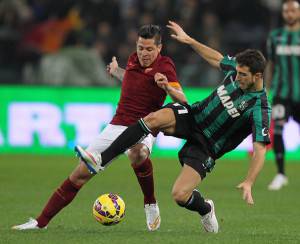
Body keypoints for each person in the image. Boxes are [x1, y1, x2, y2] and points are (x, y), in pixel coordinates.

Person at [75, 21, 271, 233]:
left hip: (208, 145)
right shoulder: (238, 68)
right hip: (195, 116)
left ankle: (206, 209)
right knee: (152, 119)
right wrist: (190, 40)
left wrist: (249, 181)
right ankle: (100, 160)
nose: (237, 77)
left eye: (242, 75)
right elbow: (216, 58)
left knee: (180, 195)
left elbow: (260, 149)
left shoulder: (259, 107)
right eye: (237, 72)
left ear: (258, 77)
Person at [12, 24, 187, 231]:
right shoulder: (132, 59)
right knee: (79, 175)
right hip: (116, 125)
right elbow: (133, 80)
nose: (144, 53)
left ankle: (150, 202)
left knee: (137, 153)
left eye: (149, 49)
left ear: (159, 48)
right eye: (140, 48)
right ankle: (40, 223)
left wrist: (167, 86)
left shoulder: (165, 66)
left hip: (143, 126)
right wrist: (117, 71)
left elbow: (182, 99)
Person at [266, 0, 300, 191]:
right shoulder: (275, 36)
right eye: (286, 10)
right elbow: (270, 64)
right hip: (281, 93)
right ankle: (280, 174)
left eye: (293, 10)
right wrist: (268, 88)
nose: (289, 14)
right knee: (277, 131)